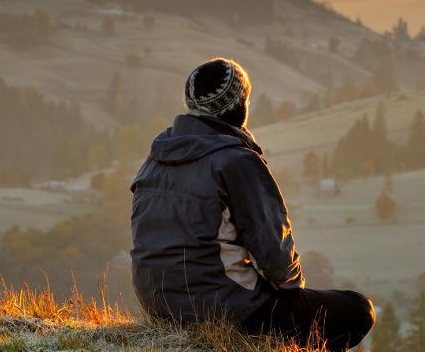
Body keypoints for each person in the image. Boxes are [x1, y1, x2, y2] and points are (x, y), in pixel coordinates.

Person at [130, 58, 374, 351]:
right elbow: (279, 265)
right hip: (224, 310)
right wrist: (289, 292)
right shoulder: (236, 160)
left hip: (157, 305)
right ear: (240, 105)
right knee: (357, 310)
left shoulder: (156, 157)